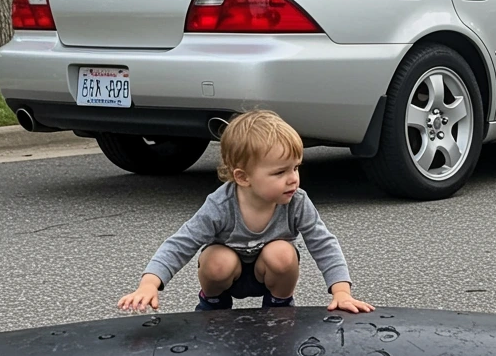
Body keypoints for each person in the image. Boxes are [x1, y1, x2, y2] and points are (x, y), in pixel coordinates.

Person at [117, 109, 374, 314]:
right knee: (218, 259)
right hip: (228, 274)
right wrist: (149, 284)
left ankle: (279, 306)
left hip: (269, 272)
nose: (293, 179)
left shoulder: (297, 201)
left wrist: (341, 292)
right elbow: (181, 243)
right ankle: (213, 305)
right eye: (279, 172)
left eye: (295, 168)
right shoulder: (220, 206)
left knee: (283, 252)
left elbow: (323, 243)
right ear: (243, 177)